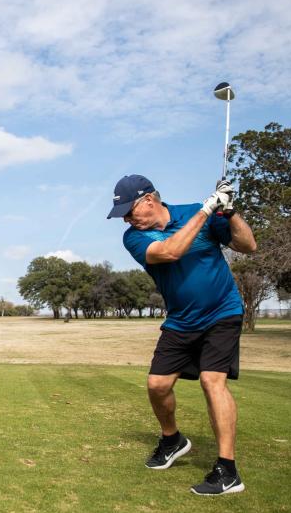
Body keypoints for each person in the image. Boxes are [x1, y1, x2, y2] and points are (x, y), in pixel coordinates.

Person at [107, 174, 257, 496]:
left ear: (149, 200)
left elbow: (248, 245)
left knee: (211, 380)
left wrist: (229, 213)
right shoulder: (134, 238)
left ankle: (227, 471)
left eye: (130, 212)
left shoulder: (195, 212)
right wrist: (207, 209)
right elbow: (170, 252)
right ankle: (173, 439)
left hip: (222, 312)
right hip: (181, 320)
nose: (128, 221)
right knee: (157, 385)